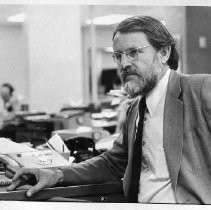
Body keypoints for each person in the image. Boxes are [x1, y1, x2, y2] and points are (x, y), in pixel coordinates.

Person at [7, 16, 211, 204]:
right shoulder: (136, 108)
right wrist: (57, 174)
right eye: (118, 56)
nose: (124, 64)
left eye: (133, 53)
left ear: (164, 53)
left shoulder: (200, 89)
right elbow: (113, 163)